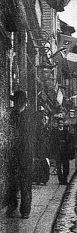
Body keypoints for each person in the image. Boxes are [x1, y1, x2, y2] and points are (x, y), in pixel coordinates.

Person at [6, 90, 33, 219]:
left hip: (26, 156)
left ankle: (25, 210)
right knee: (12, 183)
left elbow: (36, 138)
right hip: (13, 155)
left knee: (25, 184)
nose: (16, 105)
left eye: (17, 102)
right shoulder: (12, 116)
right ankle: (12, 205)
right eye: (15, 102)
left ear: (22, 103)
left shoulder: (30, 117)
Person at [50, 118, 74, 185]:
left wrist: (68, 147)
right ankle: (60, 180)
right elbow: (52, 141)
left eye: (62, 123)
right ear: (57, 124)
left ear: (63, 124)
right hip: (58, 151)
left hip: (65, 152)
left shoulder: (66, 131)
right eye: (59, 123)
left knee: (66, 166)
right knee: (58, 167)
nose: (61, 124)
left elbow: (70, 141)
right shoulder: (54, 131)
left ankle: (65, 180)